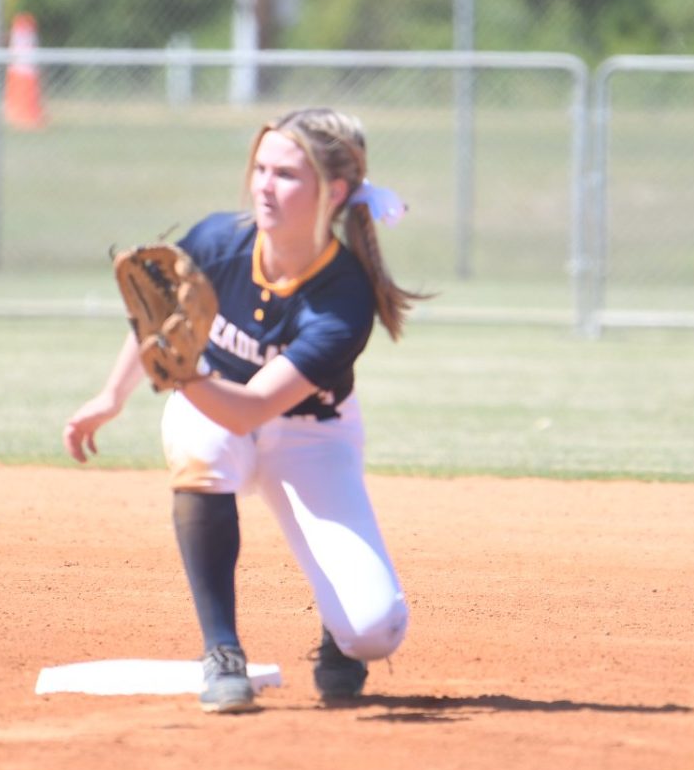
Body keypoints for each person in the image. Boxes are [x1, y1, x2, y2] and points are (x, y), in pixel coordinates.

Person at [62, 107, 425, 714]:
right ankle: (222, 651)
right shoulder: (218, 241)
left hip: (309, 434)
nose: (263, 185)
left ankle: (341, 642)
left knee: (374, 631)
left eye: (286, 174)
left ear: (333, 192)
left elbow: (252, 407)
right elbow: (156, 317)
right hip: (212, 409)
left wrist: (179, 370)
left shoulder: (344, 297)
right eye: (260, 168)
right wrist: (113, 394)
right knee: (201, 445)